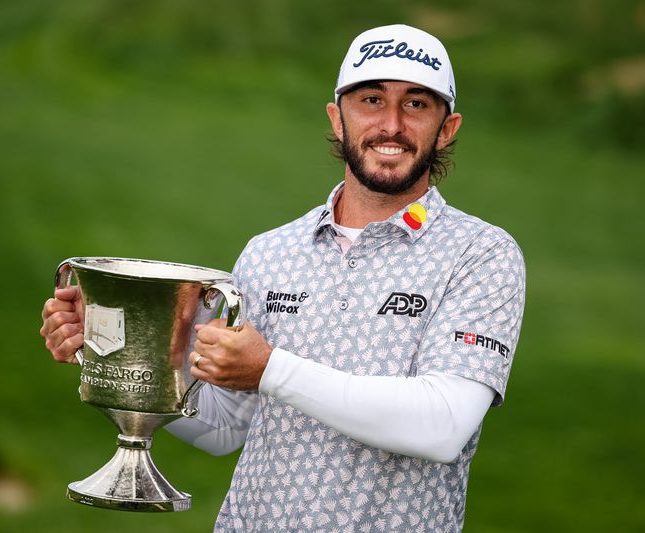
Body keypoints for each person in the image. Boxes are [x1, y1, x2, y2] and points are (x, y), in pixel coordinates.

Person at [40, 24, 526, 532]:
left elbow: (442, 427)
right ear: (338, 119)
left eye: (417, 105)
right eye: (372, 100)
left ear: (447, 129)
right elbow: (227, 425)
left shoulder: (481, 255)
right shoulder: (271, 252)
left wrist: (270, 369)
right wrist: (117, 353)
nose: (392, 124)